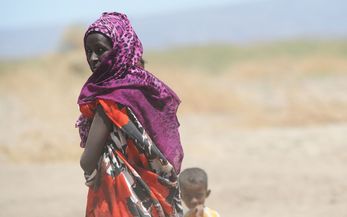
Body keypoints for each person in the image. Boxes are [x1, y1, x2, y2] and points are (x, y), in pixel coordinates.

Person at [75, 12, 184, 217]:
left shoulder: (110, 99)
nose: (93, 58)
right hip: (157, 195)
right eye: (89, 51)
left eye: (100, 50)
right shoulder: (148, 88)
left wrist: (91, 168)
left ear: (119, 50)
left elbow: (87, 160)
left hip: (121, 201)